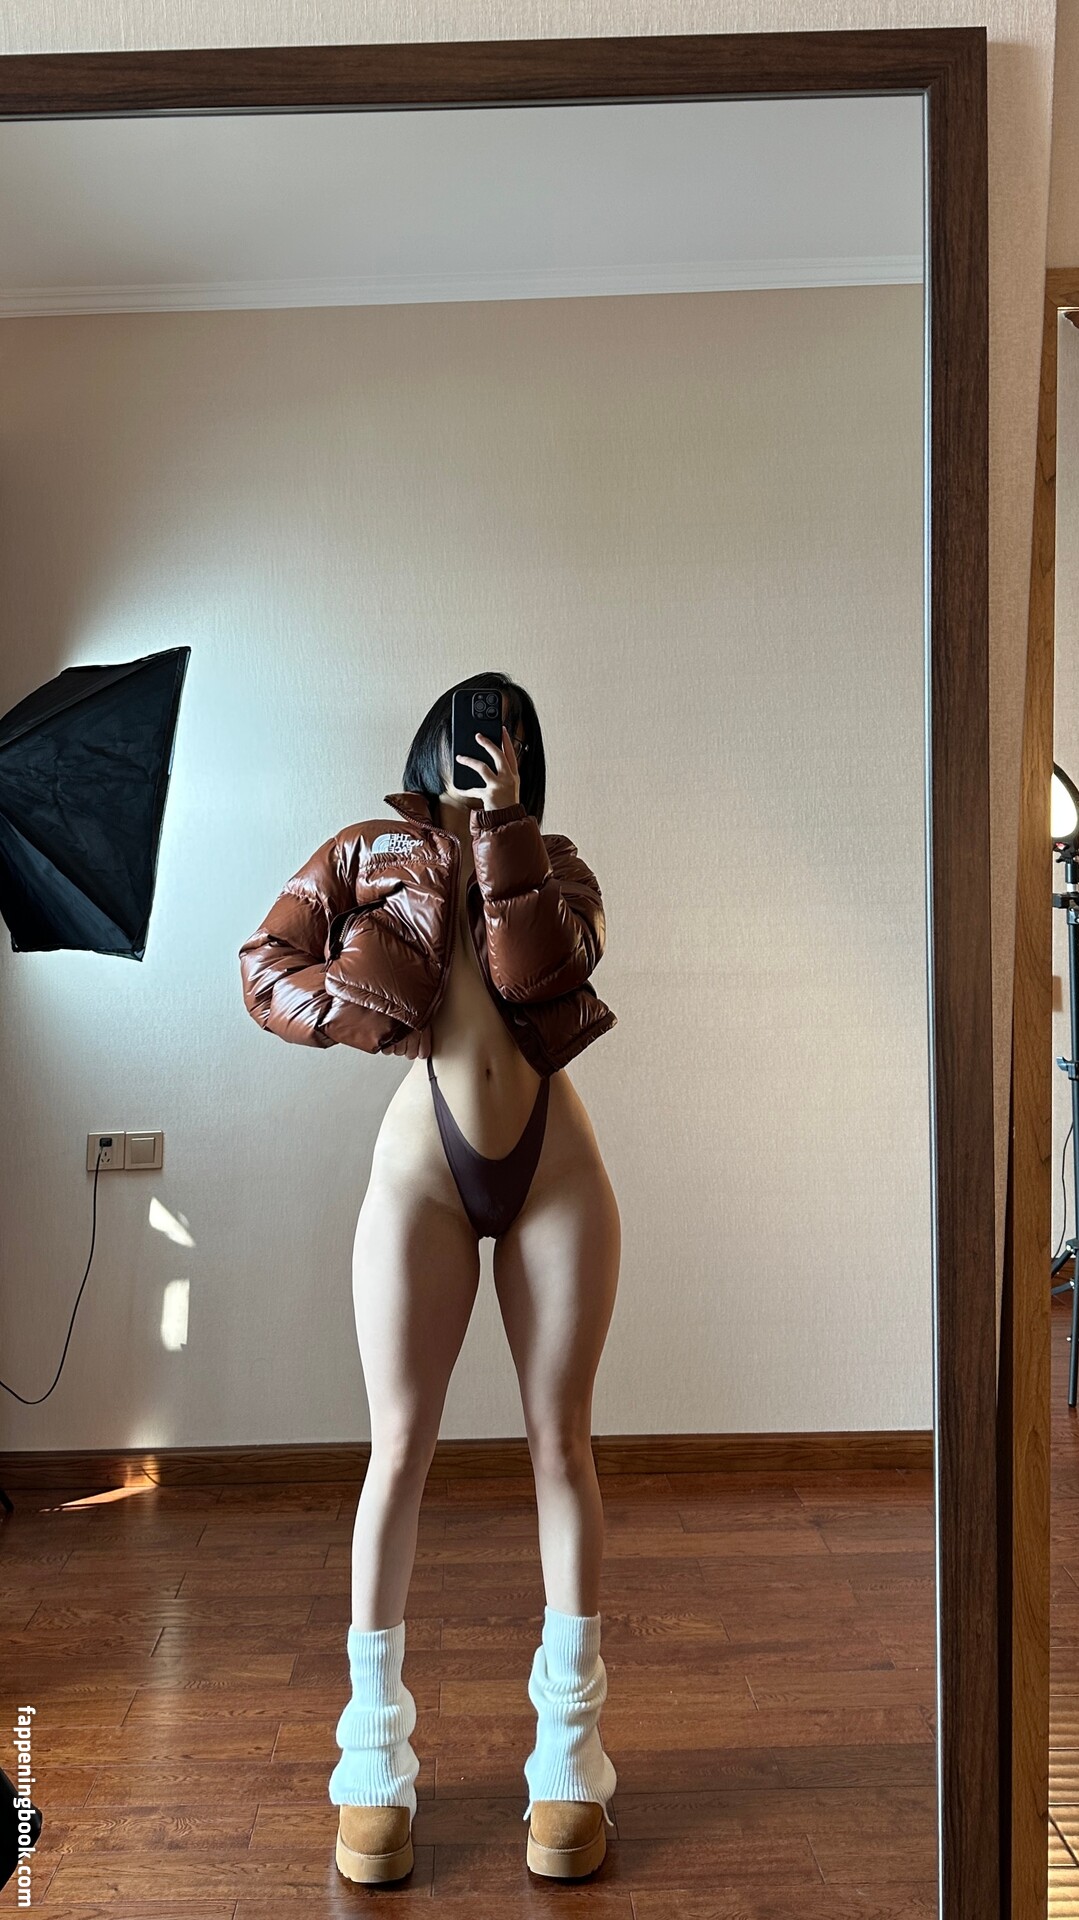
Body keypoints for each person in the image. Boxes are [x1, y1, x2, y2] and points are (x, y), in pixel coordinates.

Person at [238, 671, 620, 1884]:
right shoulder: (366, 855)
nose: (489, 760)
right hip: (422, 1172)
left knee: (563, 1442)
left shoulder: (557, 867)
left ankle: (569, 1758)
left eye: (510, 749)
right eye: (472, 745)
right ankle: (372, 1760)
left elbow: (546, 980)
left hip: (556, 1167)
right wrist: (354, 1006)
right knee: (398, 1447)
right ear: (429, 753)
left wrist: (505, 834)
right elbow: (262, 964)